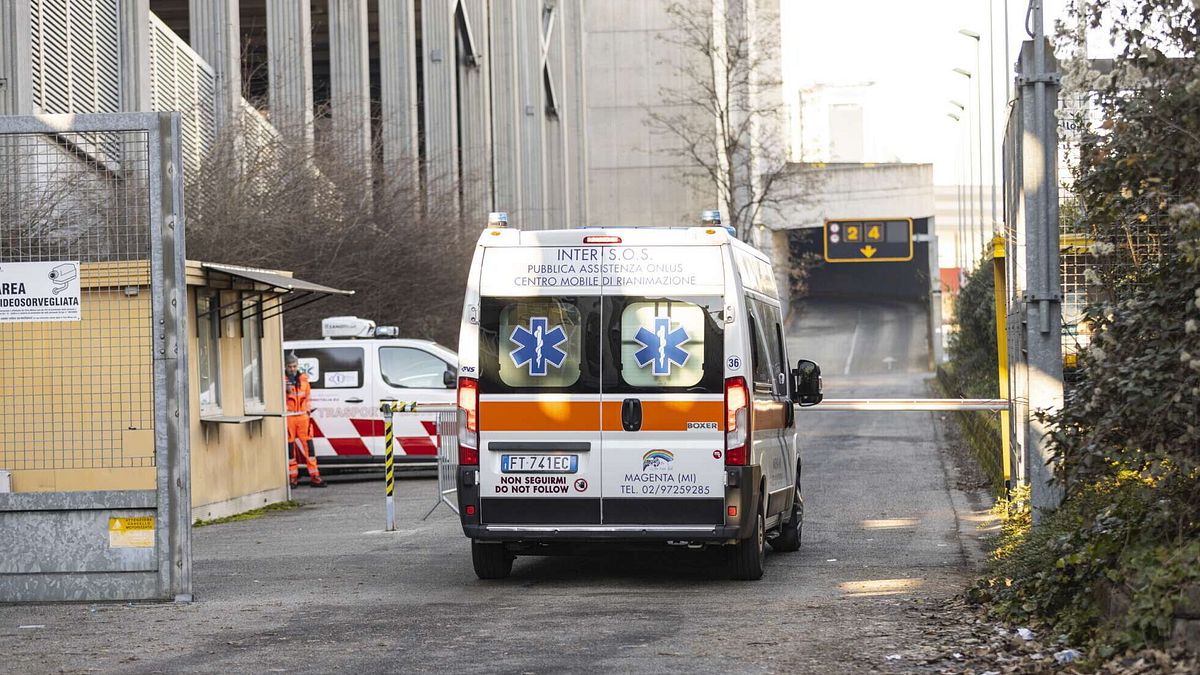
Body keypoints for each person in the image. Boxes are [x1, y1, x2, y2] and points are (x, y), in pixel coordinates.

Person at [285, 352, 326, 488]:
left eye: (294, 366)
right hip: (289, 416)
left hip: (302, 416)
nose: (292, 369)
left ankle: (315, 476)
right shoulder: (282, 380)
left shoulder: (303, 379)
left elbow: (308, 396)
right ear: (286, 366)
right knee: (290, 449)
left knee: (309, 447)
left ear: (297, 366)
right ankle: (292, 477)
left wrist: (307, 411)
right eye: (290, 366)